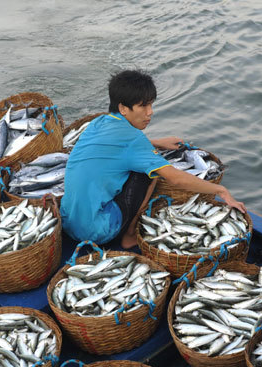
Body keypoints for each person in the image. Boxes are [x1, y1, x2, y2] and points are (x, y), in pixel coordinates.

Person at [61, 69, 245, 248]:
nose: (150, 112)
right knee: (149, 174)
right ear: (123, 108)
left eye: (151, 104)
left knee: (138, 164)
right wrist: (221, 191)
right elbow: (175, 178)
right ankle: (130, 236)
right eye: (143, 106)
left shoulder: (97, 123)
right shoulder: (134, 139)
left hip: (68, 224)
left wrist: (157, 143)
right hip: (99, 231)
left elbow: (116, 148)